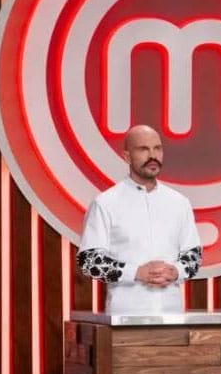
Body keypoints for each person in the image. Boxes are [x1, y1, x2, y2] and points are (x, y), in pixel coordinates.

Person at [76, 125, 201, 314]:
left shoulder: (179, 202)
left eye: (157, 148)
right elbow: (89, 261)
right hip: (124, 316)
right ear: (126, 157)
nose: (153, 155)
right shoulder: (105, 203)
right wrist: (136, 272)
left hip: (172, 315)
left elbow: (193, 256)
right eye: (143, 149)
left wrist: (175, 271)